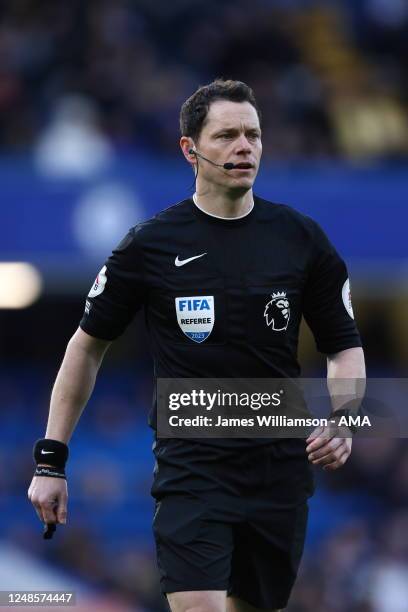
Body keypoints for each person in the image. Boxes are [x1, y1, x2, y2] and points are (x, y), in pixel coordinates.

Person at [28, 79, 366, 612]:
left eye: (253, 135)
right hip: (193, 470)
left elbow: (344, 346)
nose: (244, 147)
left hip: (278, 468)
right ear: (190, 149)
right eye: (227, 135)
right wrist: (51, 460)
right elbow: (85, 348)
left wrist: (342, 415)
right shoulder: (150, 245)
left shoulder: (302, 240)